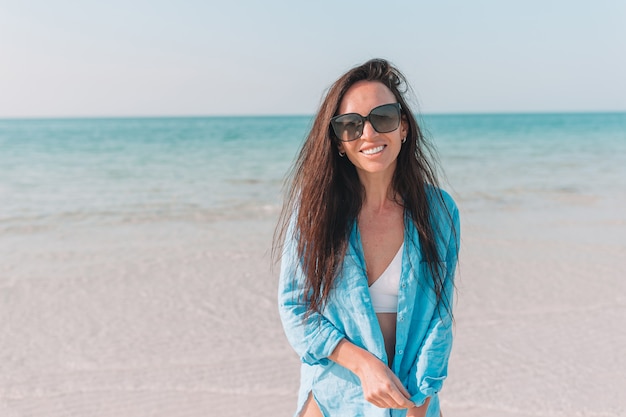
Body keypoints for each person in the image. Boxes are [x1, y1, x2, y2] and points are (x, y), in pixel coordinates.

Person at [275, 58, 460, 417]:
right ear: (339, 142)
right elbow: (295, 308)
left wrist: (418, 405)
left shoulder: (440, 211)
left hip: (411, 403)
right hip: (332, 401)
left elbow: (440, 319)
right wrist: (364, 365)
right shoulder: (315, 210)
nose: (369, 134)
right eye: (351, 125)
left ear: (403, 127)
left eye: (384, 117)